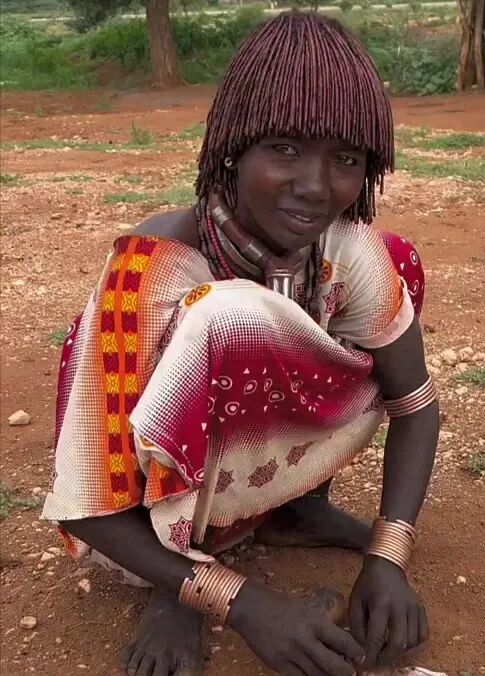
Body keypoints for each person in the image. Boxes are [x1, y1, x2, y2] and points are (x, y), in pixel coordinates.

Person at [42, 11, 439, 676]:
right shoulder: (153, 266)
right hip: (132, 511)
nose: (315, 186)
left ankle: (294, 511)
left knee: (394, 262)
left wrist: (388, 557)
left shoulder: (342, 249)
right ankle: (178, 576)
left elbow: (415, 405)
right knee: (232, 316)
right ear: (233, 147)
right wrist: (239, 603)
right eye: (284, 149)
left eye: (346, 160)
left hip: (246, 476)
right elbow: (85, 505)